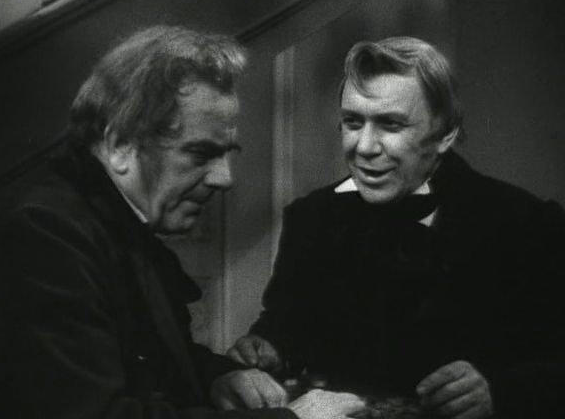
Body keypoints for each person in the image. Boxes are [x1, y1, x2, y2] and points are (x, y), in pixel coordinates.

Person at [0, 26, 366, 419]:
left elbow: (149, 360)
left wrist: (216, 377)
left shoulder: (107, 219)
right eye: (201, 153)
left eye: (227, 154)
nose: (224, 178)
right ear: (120, 145)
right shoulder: (45, 232)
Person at [227, 37, 565, 419]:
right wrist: (268, 348)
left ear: (445, 133)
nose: (364, 147)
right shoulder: (312, 217)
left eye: (390, 124)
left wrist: (499, 392)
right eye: (353, 122)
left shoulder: (526, 224)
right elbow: (286, 325)